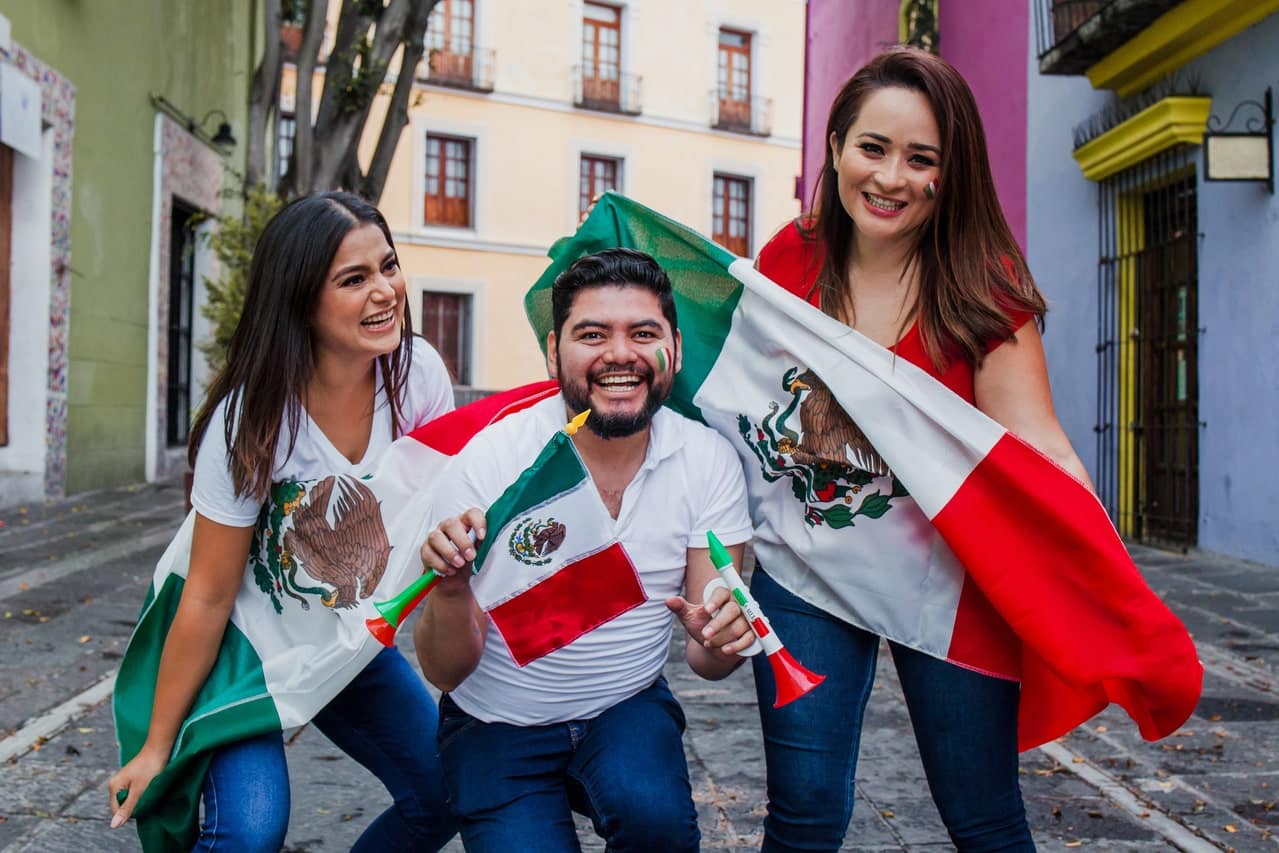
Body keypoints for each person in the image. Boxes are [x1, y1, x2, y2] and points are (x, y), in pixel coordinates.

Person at [751, 48, 1091, 851]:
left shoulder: (983, 284)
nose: (891, 177)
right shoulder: (786, 260)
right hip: (810, 570)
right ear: (835, 145)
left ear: (948, 172)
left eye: (920, 158)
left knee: (983, 817)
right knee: (800, 814)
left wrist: (1096, 568)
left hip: (951, 582)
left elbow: (1036, 441)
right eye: (872, 147)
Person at [107, 192, 459, 851]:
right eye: (353, 280)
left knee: (448, 790)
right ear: (300, 299)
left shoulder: (417, 377)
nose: (384, 291)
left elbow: (438, 506)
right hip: (238, 647)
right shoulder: (253, 418)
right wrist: (157, 746)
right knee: (249, 829)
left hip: (337, 635)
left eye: (388, 266)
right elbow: (209, 596)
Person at [414, 248, 755, 852]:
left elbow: (708, 660)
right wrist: (451, 586)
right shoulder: (493, 462)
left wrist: (721, 636)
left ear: (672, 347)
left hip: (626, 706)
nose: (619, 354)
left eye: (642, 333)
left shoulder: (708, 460)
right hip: (495, 724)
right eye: (592, 334)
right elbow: (444, 670)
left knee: (661, 828)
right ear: (553, 351)